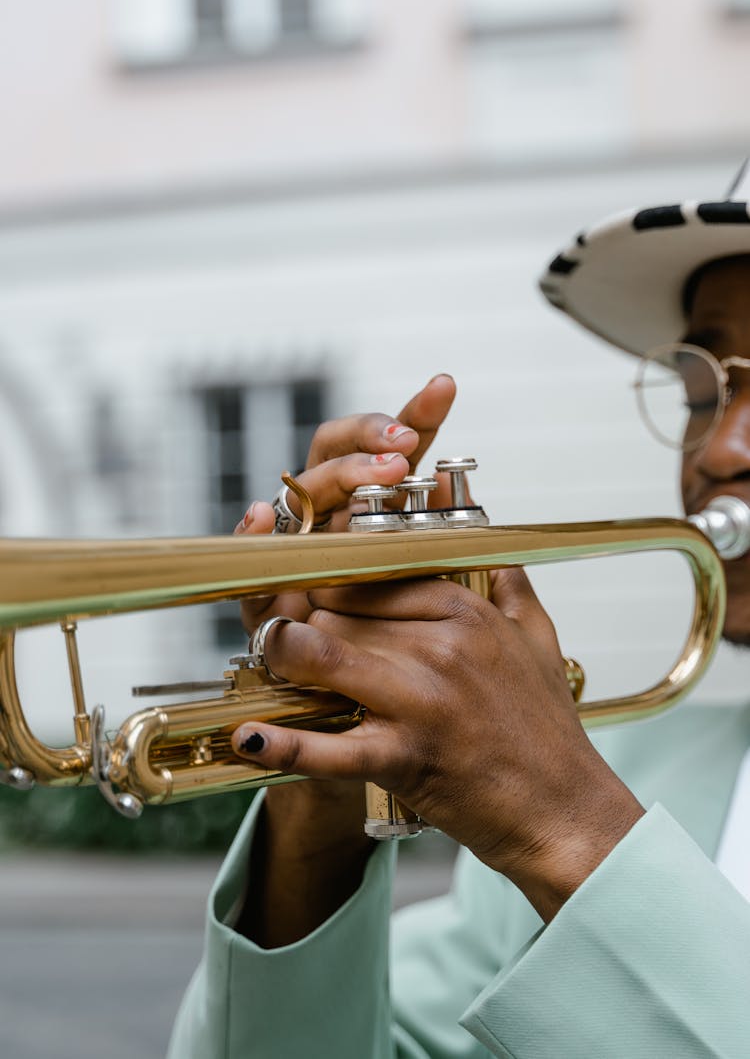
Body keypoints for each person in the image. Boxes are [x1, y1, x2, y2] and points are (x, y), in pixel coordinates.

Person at [168, 169, 750, 1058]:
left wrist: (569, 827)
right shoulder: (635, 770)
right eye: (702, 391)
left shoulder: (583, 791)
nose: (723, 445)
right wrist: (317, 817)